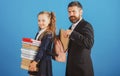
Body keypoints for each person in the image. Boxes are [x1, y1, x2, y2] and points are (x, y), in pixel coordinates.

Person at [64, 1, 94, 76]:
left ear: (81, 12)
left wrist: (72, 33)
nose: (71, 14)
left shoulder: (86, 25)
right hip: (71, 68)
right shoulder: (70, 28)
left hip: (82, 70)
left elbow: (89, 43)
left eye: (74, 11)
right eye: (69, 12)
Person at [28, 11, 56, 76]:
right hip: (37, 59)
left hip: (43, 62)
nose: (40, 23)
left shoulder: (48, 34)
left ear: (49, 21)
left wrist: (35, 62)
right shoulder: (39, 32)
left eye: (43, 20)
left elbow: (42, 49)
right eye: (39, 20)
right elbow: (37, 47)